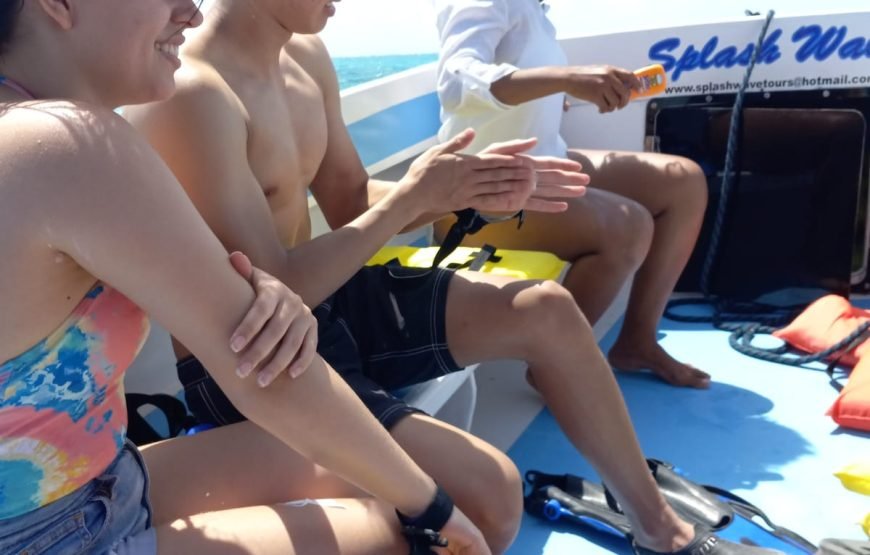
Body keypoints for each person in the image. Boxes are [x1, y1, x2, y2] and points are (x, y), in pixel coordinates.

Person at [125, 2, 779, 555]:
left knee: (545, 307)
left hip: (327, 299)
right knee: (489, 493)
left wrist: (467, 192)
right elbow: (276, 289)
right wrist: (411, 201)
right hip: (258, 355)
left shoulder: (307, 56)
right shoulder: (197, 93)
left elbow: (352, 200)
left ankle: (655, 523)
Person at [0, 0, 496, 552]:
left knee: (378, 475)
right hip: (50, 533)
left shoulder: (35, 138)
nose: (189, 12)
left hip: (99, 478)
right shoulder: (65, 144)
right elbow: (262, 371)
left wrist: (260, 295)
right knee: (415, 530)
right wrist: (434, 507)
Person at [432, 0, 712, 389]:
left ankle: (637, 341)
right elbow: (456, 81)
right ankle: (553, 367)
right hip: (480, 192)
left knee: (683, 180)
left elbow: (512, 80)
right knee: (628, 225)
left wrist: (553, 93)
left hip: (543, 160)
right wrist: (564, 77)